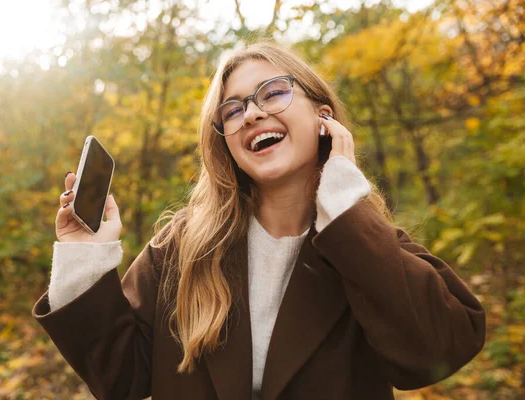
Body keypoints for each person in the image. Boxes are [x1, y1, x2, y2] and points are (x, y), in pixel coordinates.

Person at [32, 42, 486, 400]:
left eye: (273, 92)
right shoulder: (182, 248)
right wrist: (83, 257)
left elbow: (437, 353)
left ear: (322, 116)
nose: (251, 113)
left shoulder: (371, 246)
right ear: (225, 142)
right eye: (231, 110)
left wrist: (344, 208)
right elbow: (121, 380)